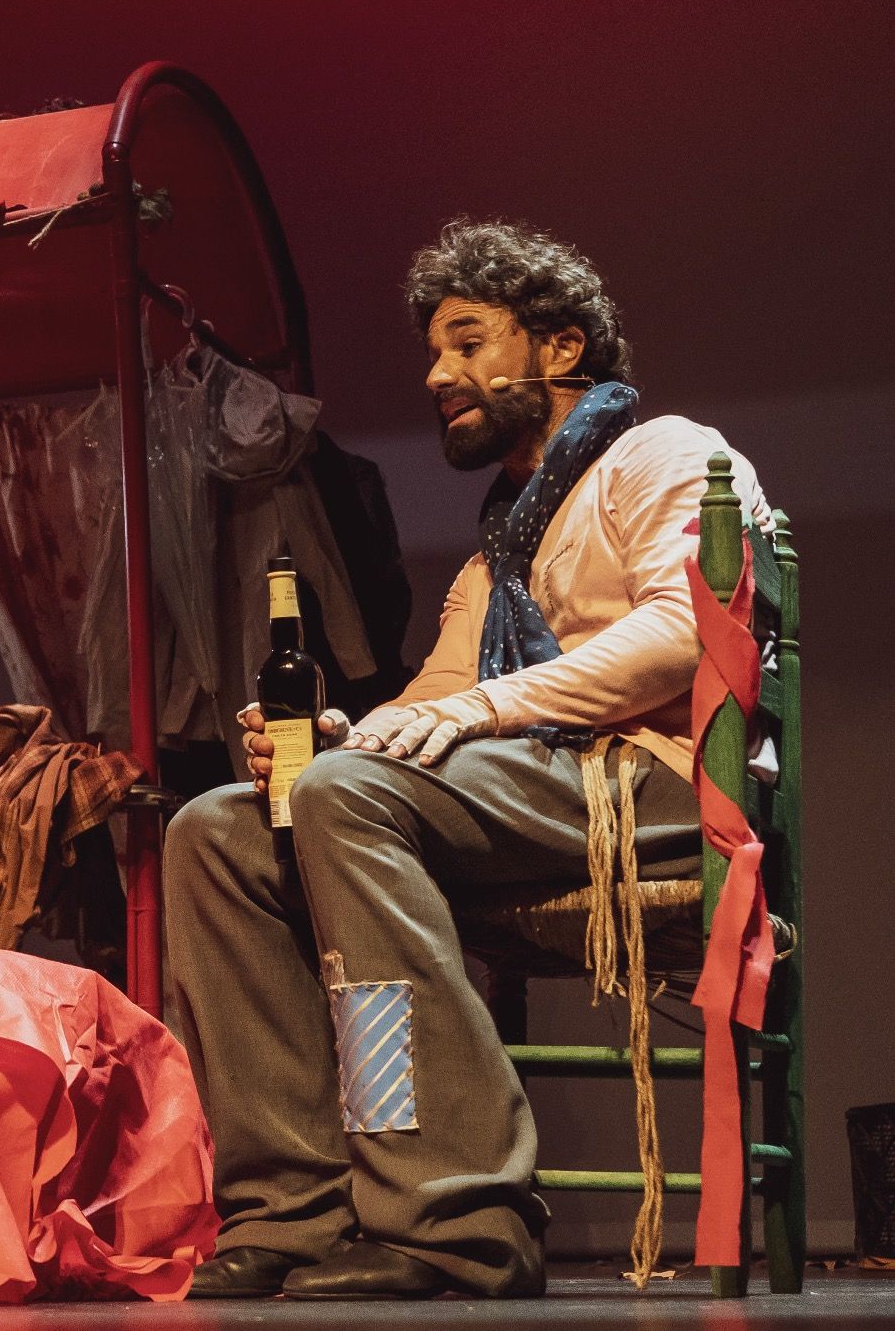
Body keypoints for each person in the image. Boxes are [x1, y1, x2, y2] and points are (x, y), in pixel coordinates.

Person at [164, 220, 771, 1300]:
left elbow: (688, 631)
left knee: (350, 798)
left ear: (562, 349)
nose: (439, 374)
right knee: (217, 827)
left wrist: (471, 713)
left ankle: (458, 1216)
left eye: (468, 341)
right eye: (434, 352)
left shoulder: (663, 453)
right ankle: (293, 1208)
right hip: (529, 787)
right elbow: (434, 703)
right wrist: (337, 740)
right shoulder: (504, 542)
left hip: (656, 780)